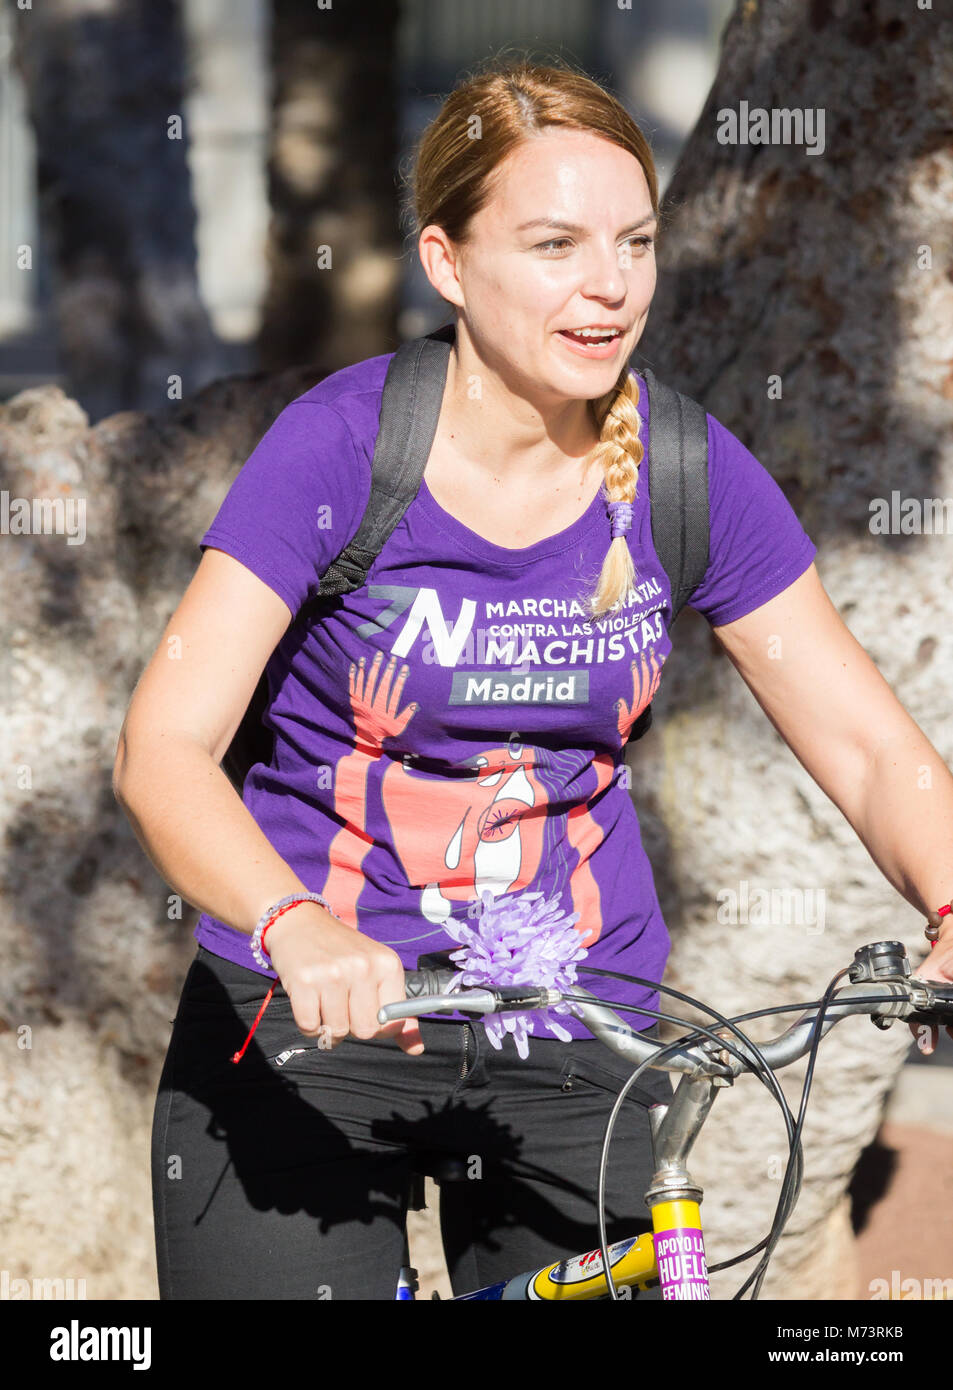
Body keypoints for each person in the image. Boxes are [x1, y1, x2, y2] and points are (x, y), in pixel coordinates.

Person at [113, 57, 953, 1301]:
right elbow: (163, 750)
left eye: (633, 242)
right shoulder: (341, 449)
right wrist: (297, 926)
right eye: (554, 243)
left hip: (575, 1026)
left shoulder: (683, 471)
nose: (608, 287)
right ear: (447, 263)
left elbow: (872, 750)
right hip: (318, 1019)